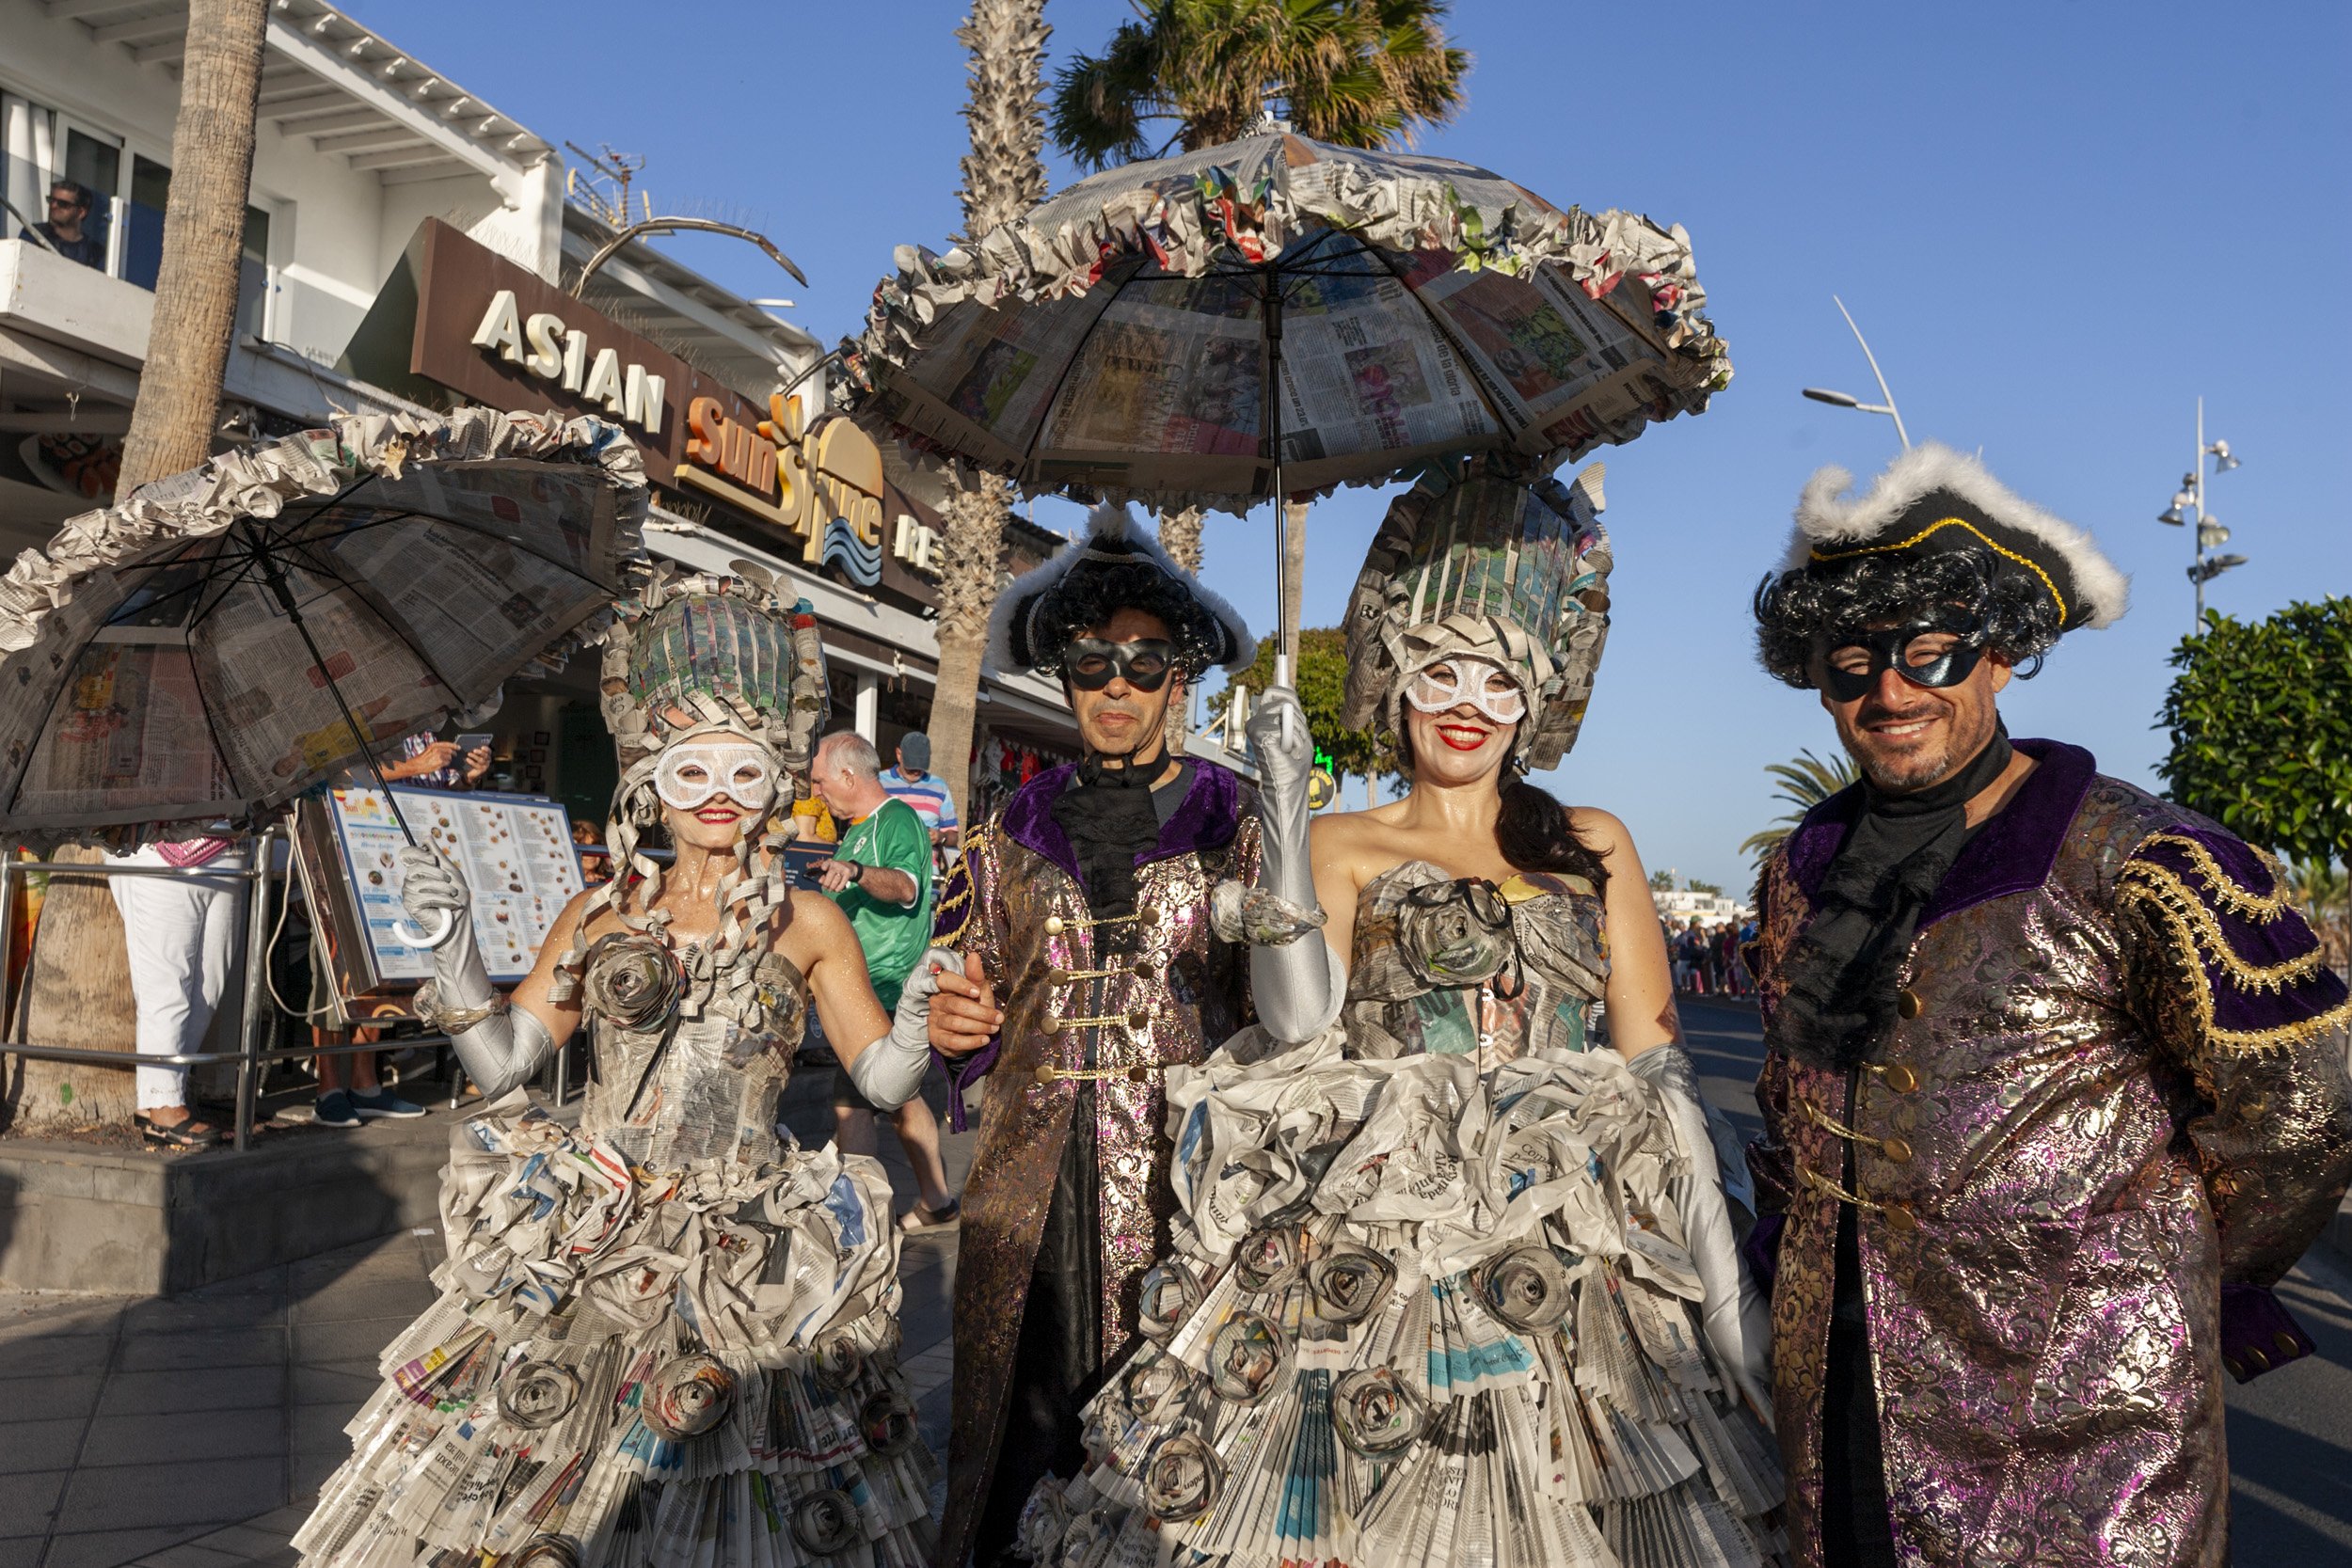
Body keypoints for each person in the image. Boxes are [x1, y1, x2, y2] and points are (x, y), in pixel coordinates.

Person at [1012, 462, 1777, 1566]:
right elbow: (1295, 1025)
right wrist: (1281, 811)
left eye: (1499, 679)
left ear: (1537, 692)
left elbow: (1660, 1071)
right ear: (1394, 680)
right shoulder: (1346, 842)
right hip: (1384, 1239)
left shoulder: (1594, 839)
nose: (1468, 703)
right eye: (1440, 672)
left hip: (1582, 1241)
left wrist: (1720, 1289)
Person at [1742, 444, 2352, 1568]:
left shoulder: (2147, 857)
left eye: (1931, 655)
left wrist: (2154, 1273)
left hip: (2089, 1418)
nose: (1890, 692)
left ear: (2001, 658)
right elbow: (1789, 1108)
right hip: (1840, 1394)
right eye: (1850, 665)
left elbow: (2299, 1108)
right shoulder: (1798, 869)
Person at [294, 571, 947, 1564]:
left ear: (777, 781)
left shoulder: (807, 920)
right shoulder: (601, 913)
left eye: (743, 772)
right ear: (649, 782)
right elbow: (506, 1059)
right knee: (556, 1469)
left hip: (751, 1252)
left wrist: (918, 1021)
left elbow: (884, 1083)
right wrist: (454, 952)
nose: (720, 796)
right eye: (693, 772)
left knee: (742, 1478)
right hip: (596, 1228)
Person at [921, 502, 1263, 1568]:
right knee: (1024, 1420)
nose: (1116, 685)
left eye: (1143, 661)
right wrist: (952, 1024)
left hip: (1184, 1174)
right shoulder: (1006, 828)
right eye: (1090, 662)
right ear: (1060, 673)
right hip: (1031, 1171)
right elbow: (964, 992)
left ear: (1179, 673)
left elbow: (1285, 1011)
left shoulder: (1237, 817)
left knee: (1170, 1414)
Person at [810, 729, 959, 1231]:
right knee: (899, 1098)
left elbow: (905, 887)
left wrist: (853, 871)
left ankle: (860, 1226)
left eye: (821, 780)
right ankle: (936, 1201)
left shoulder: (897, 820)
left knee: (851, 1105)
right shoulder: (856, 827)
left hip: (883, 986)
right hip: (860, 984)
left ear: (849, 775)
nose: (817, 791)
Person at [308, 734, 485, 1126]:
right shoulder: (362, 718)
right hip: (343, 860)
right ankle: (328, 1090)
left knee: (381, 972)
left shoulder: (427, 730)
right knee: (335, 975)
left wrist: (466, 778)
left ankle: (366, 1085)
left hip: (396, 864)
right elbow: (331, 775)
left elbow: (432, 797)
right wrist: (413, 766)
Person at [104, 829, 246, 1148]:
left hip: (229, 847)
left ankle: (159, 1095)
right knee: (166, 988)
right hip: (159, 849)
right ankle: (163, 1102)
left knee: (208, 988)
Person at [881, 731, 961, 855]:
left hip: (926, 869)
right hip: (886, 866)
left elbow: (953, 836)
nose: (916, 772)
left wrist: (941, 836)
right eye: (911, 766)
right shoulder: (879, 783)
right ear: (899, 755)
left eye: (921, 766)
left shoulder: (939, 787)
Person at [20, 179, 104, 269]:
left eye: (63, 204)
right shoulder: (34, 233)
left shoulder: (94, 252)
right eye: (51, 200)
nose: (54, 206)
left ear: (81, 212)